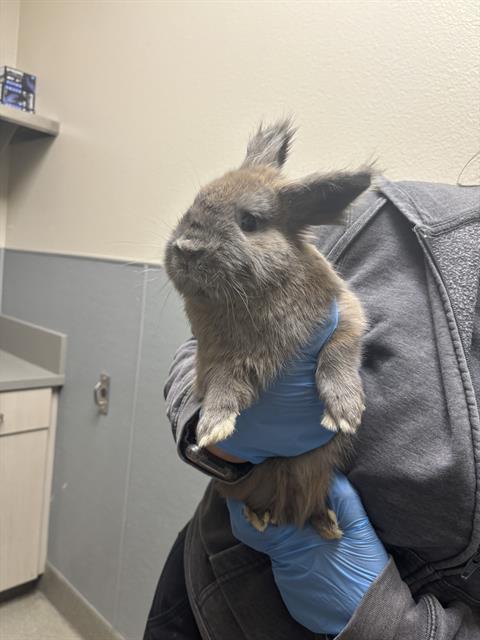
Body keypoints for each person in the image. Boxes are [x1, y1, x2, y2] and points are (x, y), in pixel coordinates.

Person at [144, 177, 480, 639]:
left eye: (248, 223)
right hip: (215, 590)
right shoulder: (389, 221)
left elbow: (344, 325)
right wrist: (215, 429)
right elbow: (197, 349)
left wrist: (391, 625)